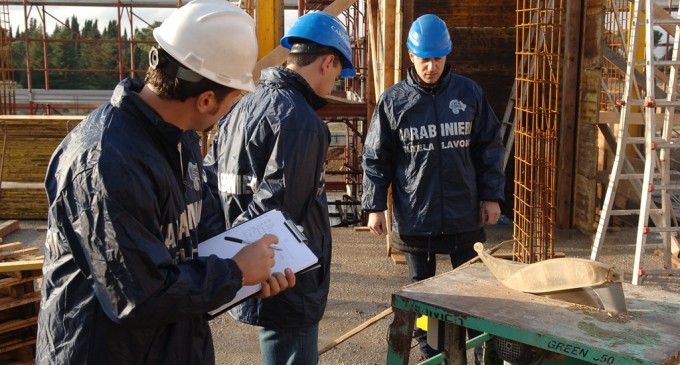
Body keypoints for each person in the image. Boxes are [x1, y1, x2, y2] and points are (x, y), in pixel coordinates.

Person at [35, 1, 296, 364]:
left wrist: (247, 277)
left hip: (170, 345)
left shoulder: (178, 137)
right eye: (234, 97)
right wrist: (235, 271)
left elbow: (195, 238)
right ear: (206, 100)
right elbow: (139, 296)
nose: (233, 107)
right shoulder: (106, 162)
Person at [203, 11, 354, 365]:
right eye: (336, 73)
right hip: (287, 280)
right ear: (328, 61)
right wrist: (239, 261)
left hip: (254, 271)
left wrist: (228, 264)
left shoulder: (241, 108)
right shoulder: (301, 121)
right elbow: (277, 213)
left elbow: (210, 184)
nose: (334, 84)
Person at [361, 13, 505, 363]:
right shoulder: (394, 102)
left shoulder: (468, 93)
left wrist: (491, 196)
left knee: (473, 290)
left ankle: (477, 348)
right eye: (424, 59)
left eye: (437, 58)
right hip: (416, 216)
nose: (431, 66)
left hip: (463, 213)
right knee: (422, 293)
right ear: (411, 55)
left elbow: (488, 148)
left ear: (446, 55)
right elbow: (376, 156)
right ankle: (430, 353)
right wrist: (374, 205)